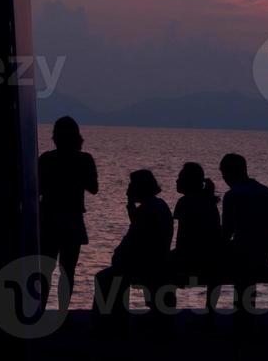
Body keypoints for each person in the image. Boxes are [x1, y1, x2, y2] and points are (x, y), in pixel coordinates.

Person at [95, 169, 174, 324]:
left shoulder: (148, 208)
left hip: (147, 263)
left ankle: (111, 321)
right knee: (113, 274)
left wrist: (119, 257)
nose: (129, 188)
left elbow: (136, 235)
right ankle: (116, 318)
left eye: (132, 185)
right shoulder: (157, 205)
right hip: (154, 260)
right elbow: (137, 226)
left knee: (105, 277)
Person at [38, 116, 98, 310]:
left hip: (48, 219)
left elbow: (36, 189)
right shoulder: (84, 159)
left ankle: (39, 310)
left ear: (55, 136)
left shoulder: (46, 159)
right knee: (67, 270)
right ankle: (62, 312)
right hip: (72, 219)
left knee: (44, 269)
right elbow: (94, 187)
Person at [219, 153, 268, 323]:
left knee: (213, 260)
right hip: (265, 252)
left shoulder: (232, 195)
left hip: (243, 254)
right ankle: (245, 316)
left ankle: (214, 315)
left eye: (224, 174)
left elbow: (226, 232)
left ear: (228, 173)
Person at [172, 162, 222, 315]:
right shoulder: (210, 202)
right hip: (212, 258)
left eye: (179, 178)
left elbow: (182, 238)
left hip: (193, 259)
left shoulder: (184, 202)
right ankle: (210, 313)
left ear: (188, 182)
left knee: (157, 267)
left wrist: (176, 259)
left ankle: (164, 313)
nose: (176, 181)